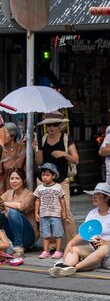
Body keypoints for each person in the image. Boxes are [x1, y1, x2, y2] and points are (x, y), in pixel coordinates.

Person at [50, 182, 110, 277]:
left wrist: (107, 242)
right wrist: (71, 242)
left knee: (102, 249)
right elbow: (84, 233)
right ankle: (66, 266)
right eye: (94, 194)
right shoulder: (92, 213)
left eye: (98, 194)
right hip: (93, 248)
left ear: (107, 198)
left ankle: (75, 268)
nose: (94, 196)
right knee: (74, 249)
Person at [33, 111, 79, 244]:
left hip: (61, 179)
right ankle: (52, 244)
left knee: (66, 213)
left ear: (60, 125)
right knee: (48, 212)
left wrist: (64, 154)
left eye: (55, 124)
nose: (52, 127)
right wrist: (36, 149)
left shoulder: (66, 138)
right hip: (45, 181)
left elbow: (76, 159)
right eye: (49, 125)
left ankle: (72, 243)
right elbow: (39, 162)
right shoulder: (43, 139)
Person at [0, 168, 37, 256]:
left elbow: (21, 206)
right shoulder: (8, 193)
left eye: (17, 178)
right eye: (12, 178)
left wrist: (4, 203)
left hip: (28, 236)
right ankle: (5, 243)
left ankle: (19, 247)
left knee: (13, 212)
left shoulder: (29, 194)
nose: (14, 181)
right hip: (11, 234)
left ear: (23, 180)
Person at [33, 163, 66, 259]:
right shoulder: (40, 188)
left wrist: (64, 211)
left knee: (57, 234)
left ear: (53, 176)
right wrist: (36, 213)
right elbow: (37, 200)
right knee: (45, 234)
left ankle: (58, 251)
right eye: (43, 175)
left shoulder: (58, 187)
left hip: (55, 214)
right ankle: (46, 251)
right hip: (44, 215)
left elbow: (62, 199)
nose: (45, 177)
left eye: (47, 175)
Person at [0, 122, 26, 193]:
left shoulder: (24, 148)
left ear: (13, 136)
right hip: (7, 191)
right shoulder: (1, 152)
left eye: (5, 133)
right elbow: (0, 177)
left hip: (24, 190)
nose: (1, 136)